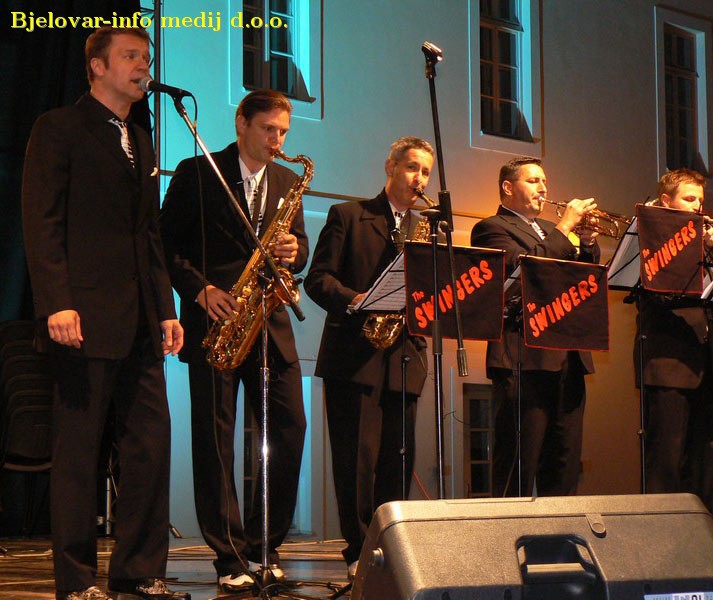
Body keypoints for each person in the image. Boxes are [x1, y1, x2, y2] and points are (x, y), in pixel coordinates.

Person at [21, 26, 187, 600]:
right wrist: (56, 302)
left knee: (149, 447)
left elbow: (148, 233)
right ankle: (76, 581)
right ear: (97, 66)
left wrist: (165, 307)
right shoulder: (59, 127)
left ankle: (138, 573)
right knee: (78, 454)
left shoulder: (140, 136)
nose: (144, 66)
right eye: (131, 56)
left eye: (147, 57)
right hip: (82, 319)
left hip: (139, 320)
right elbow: (41, 220)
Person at [159, 89, 307, 592]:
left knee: (290, 428)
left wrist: (295, 249)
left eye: (283, 132)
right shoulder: (196, 172)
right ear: (241, 122)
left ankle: (266, 545)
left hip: (271, 325)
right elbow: (165, 243)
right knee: (216, 441)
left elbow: (301, 248)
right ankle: (228, 555)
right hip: (217, 320)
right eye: (268, 129)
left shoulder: (286, 181)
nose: (277, 140)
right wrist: (200, 290)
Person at [304, 136, 434, 579]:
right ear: (390, 167)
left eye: (426, 172)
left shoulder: (426, 229)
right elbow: (317, 279)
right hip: (354, 357)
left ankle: (392, 548)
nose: (419, 179)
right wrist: (356, 299)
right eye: (412, 168)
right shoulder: (349, 215)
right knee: (356, 462)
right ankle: (359, 552)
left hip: (405, 357)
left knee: (399, 459)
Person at [470, 156, 600, 498]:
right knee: (518, 463)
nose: (543, 188)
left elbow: (583, 281)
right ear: (508, 187)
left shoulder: (552, 231)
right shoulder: (491, 228)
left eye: (544, 181)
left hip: (567, 356)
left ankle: (561, 529)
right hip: (523, 358)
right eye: (533, 180)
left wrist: (587, 245)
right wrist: (565, 227)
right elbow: (523, 271)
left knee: (565, 463)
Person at [633, 168, 713, 509]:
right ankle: (660, 535)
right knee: (665, 460)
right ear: (666, 201)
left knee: (704, 458)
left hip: (704, 363)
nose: (697, 205)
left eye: (700, 199)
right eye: (689, 198)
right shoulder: (650, 238)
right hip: (667, 364)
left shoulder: (702, 244)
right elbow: (659, 296)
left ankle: (701, 531)